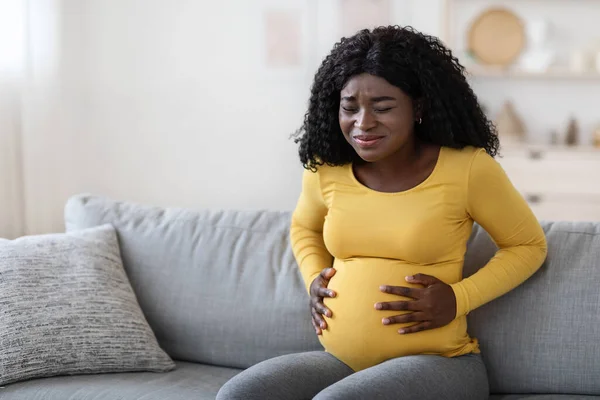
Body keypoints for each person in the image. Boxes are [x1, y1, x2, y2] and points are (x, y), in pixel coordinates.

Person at [216, 25, 547, 400]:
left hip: (439, 363)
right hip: (343, 362)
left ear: (418, 106)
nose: (363, 123)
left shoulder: (467, 168)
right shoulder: (327, 169)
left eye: (383, 107)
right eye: (350, 107)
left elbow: (527, 245)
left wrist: (459, 298)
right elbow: (304, 227)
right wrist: (313, 278)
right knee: (241, 394)